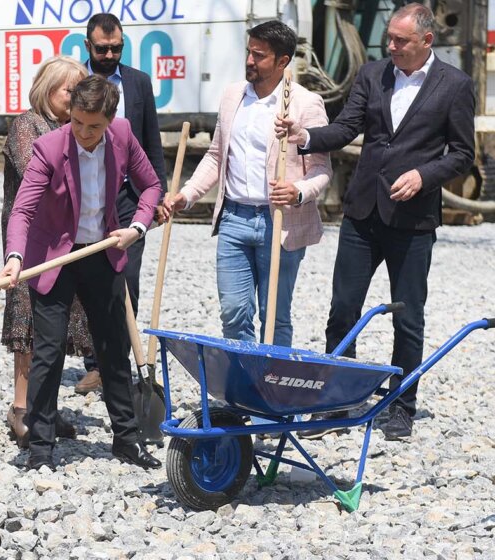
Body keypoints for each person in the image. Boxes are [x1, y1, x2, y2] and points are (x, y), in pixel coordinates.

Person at [276, 3, 475, 440]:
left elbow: (462, 154)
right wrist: (305, 136)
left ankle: (401, 405)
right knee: (342, 310)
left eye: (400, 40)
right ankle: (336, 402)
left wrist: (425, 176)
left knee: (407, 318)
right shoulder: (371, 75)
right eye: (389, 37)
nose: (391, 46)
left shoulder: (456, 85)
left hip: (413, 221)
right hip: (363, 213)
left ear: (427, 40)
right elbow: (346, 128)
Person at [0, 75, 166, 471]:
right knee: (49, 349)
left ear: (109, 119)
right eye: (77, 123)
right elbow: (23, 210)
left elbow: (151, 186)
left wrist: (137, 228)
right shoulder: (49, 147)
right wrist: (15, 256)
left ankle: (127, 438)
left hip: (103, 250)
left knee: (112, 348)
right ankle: (40, 445)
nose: (84, 133)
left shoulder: (123, 134)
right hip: (53, 255)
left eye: (94, 126)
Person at [166, 21, 331, 347]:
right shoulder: (232, 96)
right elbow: (216, 156)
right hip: (234, 219)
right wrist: (186, 195)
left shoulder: (305, 103)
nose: (250, 61)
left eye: (260, 55)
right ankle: (242, 387)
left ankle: (272, 388)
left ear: (283, 61)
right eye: (249, 52)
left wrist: (298, 192)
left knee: (274, 316)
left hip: (280, 222)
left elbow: (322, 170)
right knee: (234, 311)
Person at [1, 55, 90, 447]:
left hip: (66, 240)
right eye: (69, 90)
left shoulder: (74, 129)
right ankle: (22, 408)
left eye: (79, 90)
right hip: (30, 240)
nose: (74, 98)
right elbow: (32, 177)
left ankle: (45, 408)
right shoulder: (27, 124)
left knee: (57, 326)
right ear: (47, 88)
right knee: (28, 323)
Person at [76, 13, 167, 394]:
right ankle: (95, 362)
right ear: (87, 46)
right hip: (85, 195)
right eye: (102, 48)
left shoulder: (138, 83)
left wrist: (157, 193)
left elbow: (151, 141)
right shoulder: (74, 82)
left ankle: (118, 361)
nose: (110, 54)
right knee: (87, 281)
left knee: (126, 280)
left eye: (117, 48)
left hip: (129, 197)